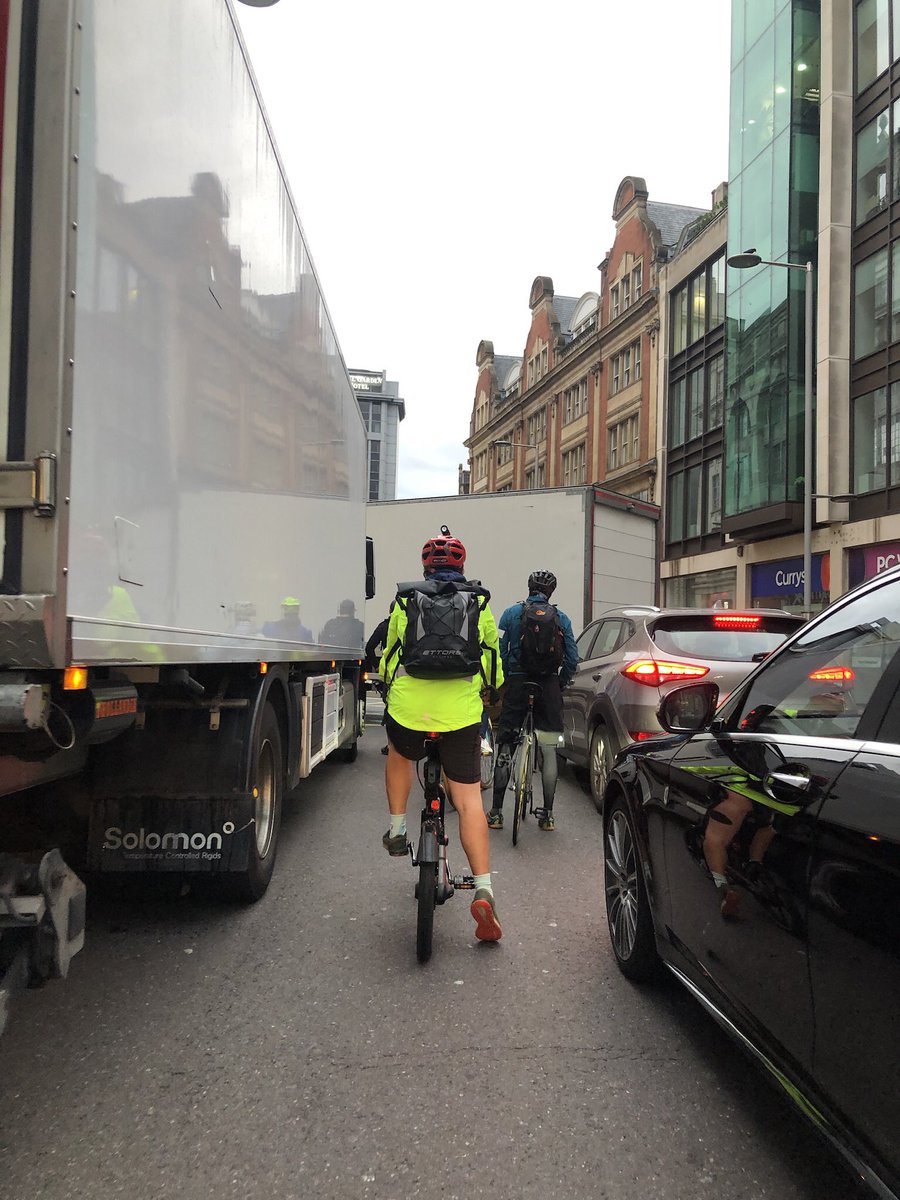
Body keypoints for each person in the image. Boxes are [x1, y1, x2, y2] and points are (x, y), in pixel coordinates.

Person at [379, 532, 504, 942]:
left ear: (425, 567)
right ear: (462, 567)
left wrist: (386, 686)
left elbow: (390, 655)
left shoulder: (406, 601)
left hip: (411, 711)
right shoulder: (478, 604)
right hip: (461, 714)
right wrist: (493, 693)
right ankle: (483, 887)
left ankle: (397, 829)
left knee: (399, 751)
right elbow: (492, 662)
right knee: (468, 800)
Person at [488, 569, 578, 832]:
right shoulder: (562, 619)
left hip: (518, 683)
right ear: (551, 593)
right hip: (548, 684)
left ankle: (496, 813)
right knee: (549, 749)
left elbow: (501, 651)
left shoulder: (510, 614)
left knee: (506, 744)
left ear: (528, 588)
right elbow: (572, 659)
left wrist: (507, 678)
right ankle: (548, 815)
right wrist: (559, 683)